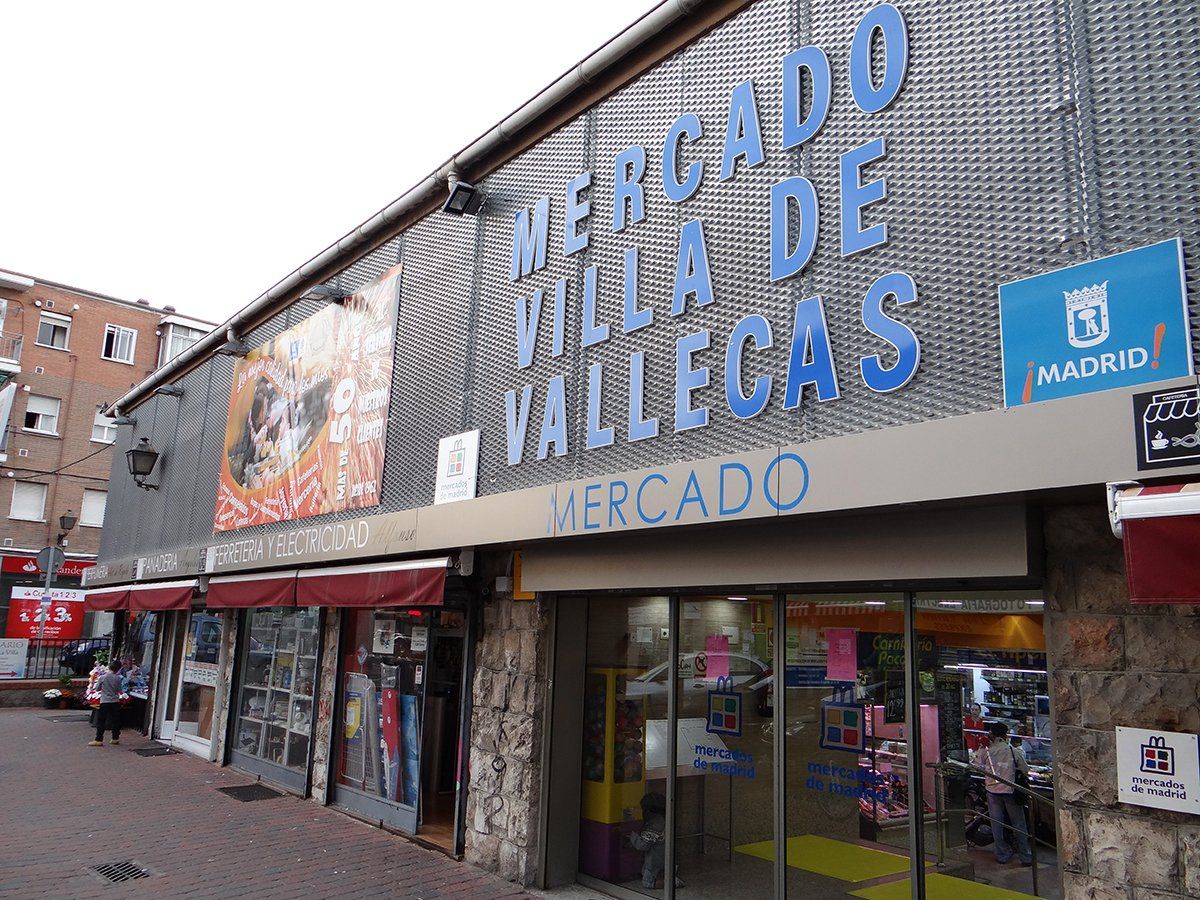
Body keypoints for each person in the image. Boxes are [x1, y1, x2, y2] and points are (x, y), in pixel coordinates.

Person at [975, 721, 1032, 866]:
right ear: (1006, 735)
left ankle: (1001, 854)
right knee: (1018, 823)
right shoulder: (1012, 750)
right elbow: (1025, 770)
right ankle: (1025, 855)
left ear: (992, 734)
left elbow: (977, 766)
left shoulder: (986, 750)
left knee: (997, 824)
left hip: (992, 790)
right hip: (1010, 790)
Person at [88, 660, 123, 747]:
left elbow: (97, 688)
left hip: (105, 701)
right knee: (116, 720)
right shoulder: (118, 678)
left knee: (101, 720)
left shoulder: (103, 677)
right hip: (115, 701)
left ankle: (99, 739)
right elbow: (119, 690)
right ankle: (115, 738)